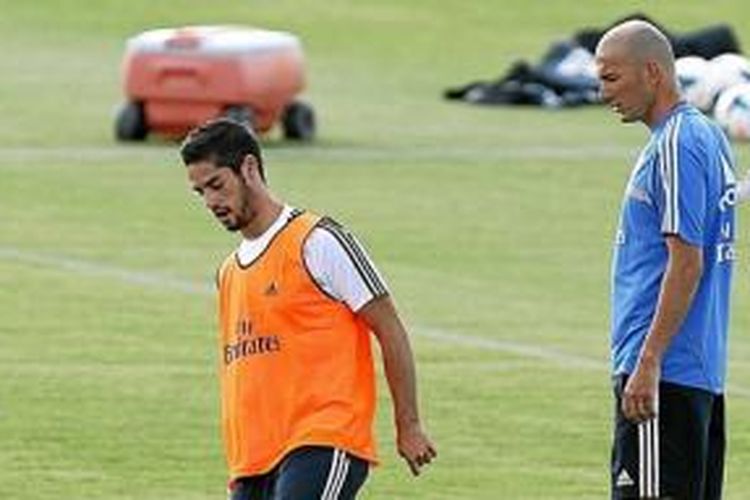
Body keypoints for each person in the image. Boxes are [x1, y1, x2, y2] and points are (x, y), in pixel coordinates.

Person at [179, 119, 436, 499]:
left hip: (323, 440)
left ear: (249, 168)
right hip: (253, 459)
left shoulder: (318, 241)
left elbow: (389, 327)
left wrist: (408, 424)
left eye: (216, 185)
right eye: (200, 192)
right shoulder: (228, 273)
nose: (211, 202)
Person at [596, 20, 737, 500]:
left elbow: (687, 261)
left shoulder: (678, 144)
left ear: (652, 71)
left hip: (665, 378)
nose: (602, 93)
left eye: (612, 78)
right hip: (693, 373)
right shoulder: (704, 137)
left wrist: (648, 360)